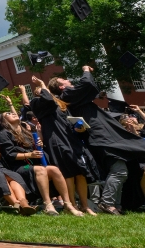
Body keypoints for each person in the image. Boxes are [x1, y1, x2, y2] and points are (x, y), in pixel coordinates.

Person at [51, 66, 145, 215]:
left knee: (122, 170)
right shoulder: (68, 95)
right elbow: (88, 84)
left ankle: (117, 205)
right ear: (61, 87)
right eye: (65, 80)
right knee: (119, 170)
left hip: (103, 137)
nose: (69, 81)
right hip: (102, 138)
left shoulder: (72, 98)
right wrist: (86, 70)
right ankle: (107, 203)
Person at [30, 74, 96, 214]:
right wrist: (42, 85)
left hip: (71, 140)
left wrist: (78, 128)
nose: (41, 91)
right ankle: (71, 205)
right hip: (57, 141)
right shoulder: (37, 103)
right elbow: (47, 99)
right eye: (40, 90)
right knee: (68, 174)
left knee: (81, 173)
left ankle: (85, 205)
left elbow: (69, 121)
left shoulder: (61, 104)